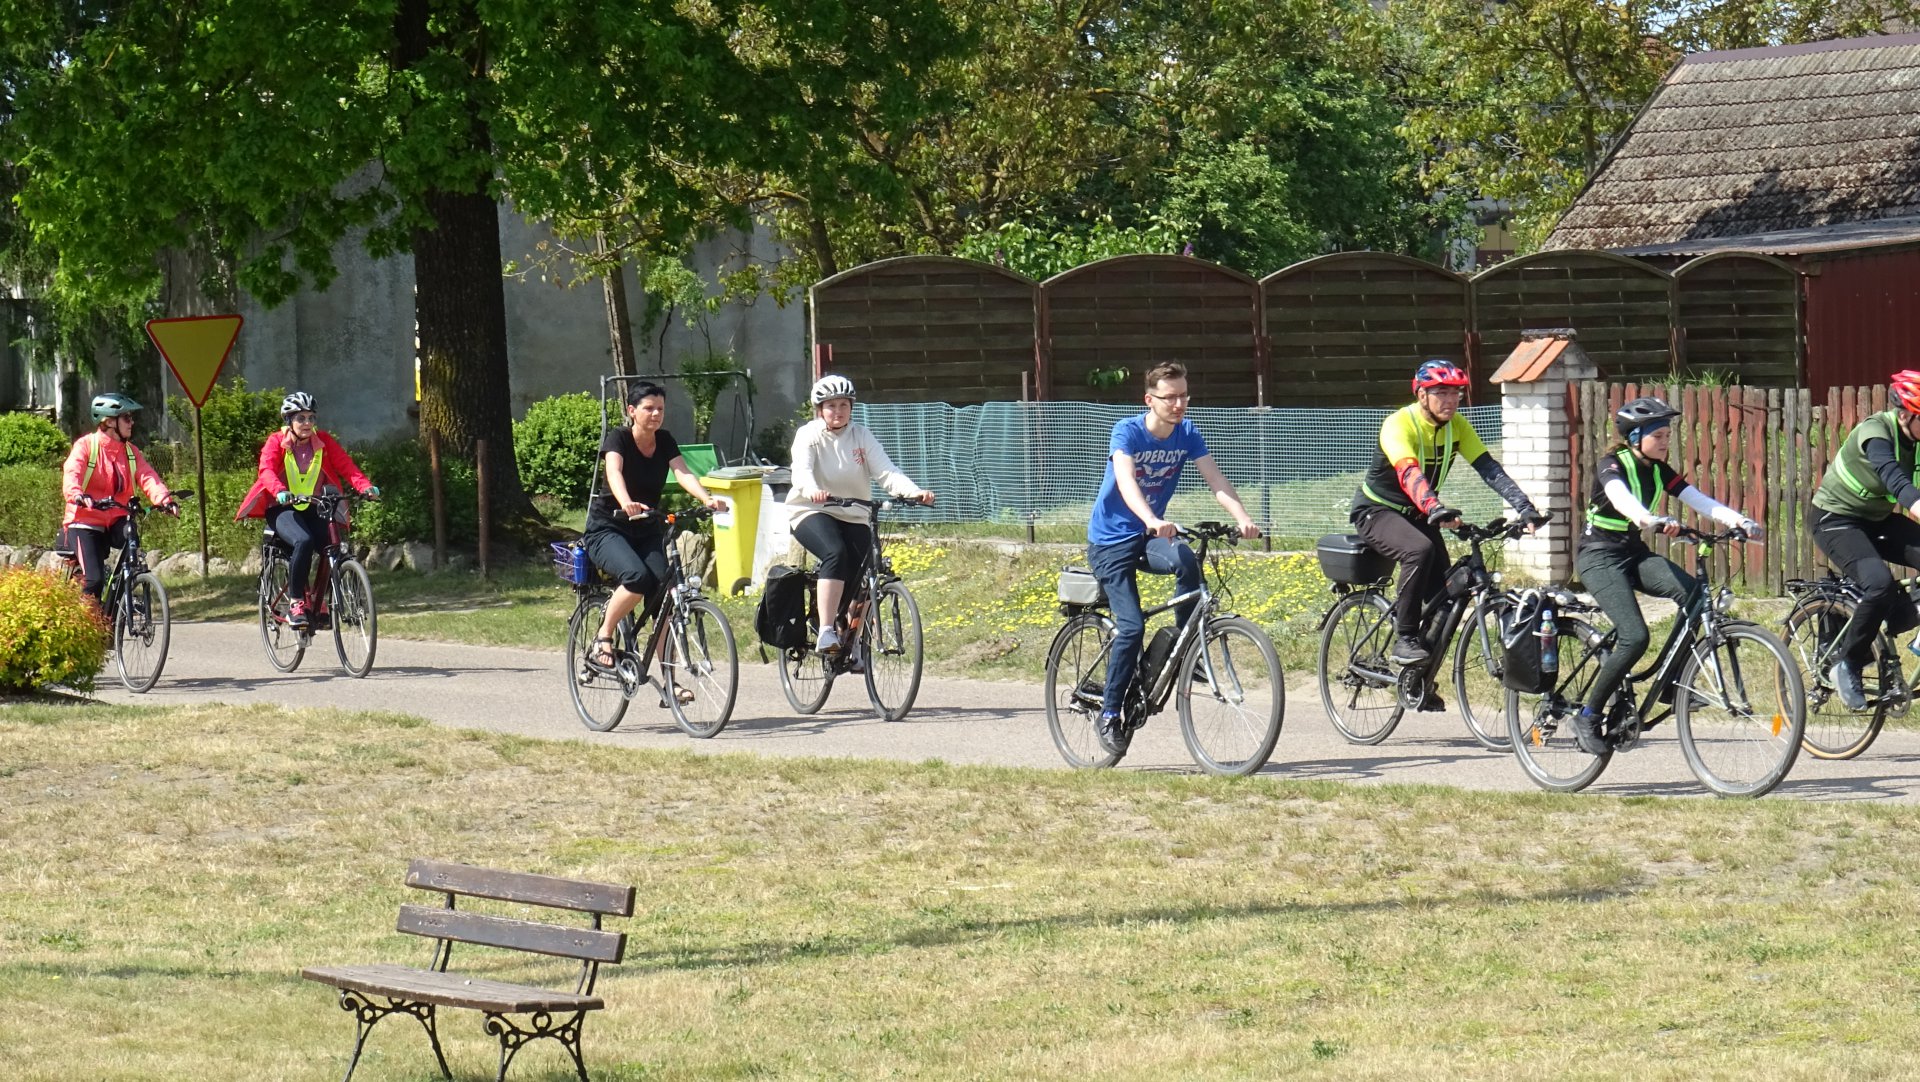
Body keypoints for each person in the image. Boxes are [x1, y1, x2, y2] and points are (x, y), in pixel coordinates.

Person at [1086, 362, 1260, 755]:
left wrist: (1243, 518)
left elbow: (1215, 479)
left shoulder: (1187, 433)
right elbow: (1126, 481)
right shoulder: (1127, 431)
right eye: (1170, 398)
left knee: (1186, 559)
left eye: (1183, 396)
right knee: (1131, 628)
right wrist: (1151, 519)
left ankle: (1183, 646)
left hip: (1150, 536)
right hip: (1111, 542)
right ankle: (1109, 713)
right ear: (1149, 400)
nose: (1179, 404)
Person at [1572, 395, 1763, 753]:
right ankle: (1588, 715)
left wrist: (1740, 521)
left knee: (1695, 595)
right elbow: (1620, 498)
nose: (1665, 442)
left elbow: (1698, 499)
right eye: (1658, 435)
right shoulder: (1612, 464)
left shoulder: (1660, 469)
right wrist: (1649, 519)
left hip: (1633, 553)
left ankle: (1673, 684)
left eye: (1667, 435)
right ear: (1634, 437)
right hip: (1598, 556)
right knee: (1634, 636)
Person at [1351, 359, 1541, 666]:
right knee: (1419, 550)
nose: (1451, 400)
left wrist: (1525, 507)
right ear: (1421, 395)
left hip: (1420, 513)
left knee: (1448, 595)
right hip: (1377, 510)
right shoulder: (1399, 424)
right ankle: (1405, 638)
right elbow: (1408, 472)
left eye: (1456, 393)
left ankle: (1419, 678)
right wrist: (1434, 507)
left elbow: (1489, 469)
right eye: (1441, 392)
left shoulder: (1458, 426)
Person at [580, 382, 727, 681]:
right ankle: (603, 636)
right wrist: (626, 502)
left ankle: (670, 682)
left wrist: (706, 498)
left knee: (663, 593)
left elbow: (682, 472)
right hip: (608, 528)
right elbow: (614, 472)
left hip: (646, 529)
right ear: (632, 411)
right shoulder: (619, 438)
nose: (656, 414)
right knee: (637, 578)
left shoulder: (665, 440)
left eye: (660, 408)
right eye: (649, 408)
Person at [787, 374, 935, 662]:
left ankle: (853, 639)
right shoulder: (809, 435)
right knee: (835, 552)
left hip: (854, 513)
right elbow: (801, 471)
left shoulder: (861, 436)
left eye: (844, 404)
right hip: (812, 510)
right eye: (831, 406)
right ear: (820, 409)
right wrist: (812, 490)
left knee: (868, 570)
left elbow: (886, 471)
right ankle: (826, 629)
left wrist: (915, 492)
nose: (838, 411)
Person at [1808, 370, 1920, 711]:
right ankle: (1848, 664)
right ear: (1906, 415)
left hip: (1876, 520)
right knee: (1879, 584)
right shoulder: (1876, 433)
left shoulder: (1914, 439)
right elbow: (1895, 480)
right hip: (1835, 520)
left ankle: (1890, 622)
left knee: (1890, 598)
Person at [235, 392, 379, 632]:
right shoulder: (276, 441)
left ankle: (318, 600)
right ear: (289, 420)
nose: (307, 423)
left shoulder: (323, 441)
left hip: (314, 506)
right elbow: (266, 471)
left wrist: (365, 486)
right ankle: (296, 603)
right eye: (301, 418)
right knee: (303, 541)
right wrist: (280, 490)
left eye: (311, 418)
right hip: (282, 508)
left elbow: (347, 466)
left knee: (332, 546)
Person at [59, 393, 178, 599]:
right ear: (109, 422)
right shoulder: (86, 446)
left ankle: (121, 603)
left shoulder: (131, 452)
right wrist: (77, 494)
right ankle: (90, 616)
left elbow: (148, 476)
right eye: (127, 418)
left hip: (117, 517)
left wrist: (164, 500)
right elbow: (72, 472)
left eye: (131, 418)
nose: (132, 423)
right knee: (94, 580)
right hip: (84, 519)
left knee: (131, 546)